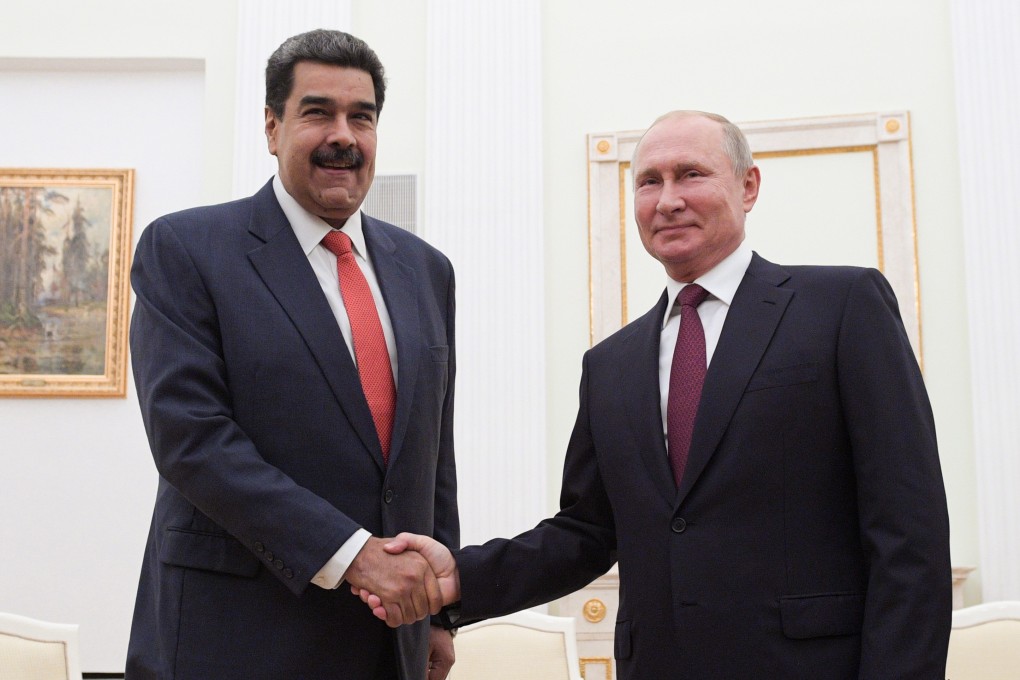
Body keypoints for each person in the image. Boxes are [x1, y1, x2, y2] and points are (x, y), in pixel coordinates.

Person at [359, 111, 952, 679]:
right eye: (648, 181)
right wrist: (458, 575)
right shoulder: (610, 365)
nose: (668, 199)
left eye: (691, 174)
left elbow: (909, 533)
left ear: (748, 187)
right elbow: (585, 534)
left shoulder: (843, 307)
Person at [126, 29, 458, 680]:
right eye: (318, 112)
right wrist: (353, 555)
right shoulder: (187, 250)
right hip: (234, 638)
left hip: (387, 641)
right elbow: (192, 442)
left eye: (361, 117)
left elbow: (431, 451)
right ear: (273, 128)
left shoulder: (425, 270)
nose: (344, 135)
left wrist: (437, 614)